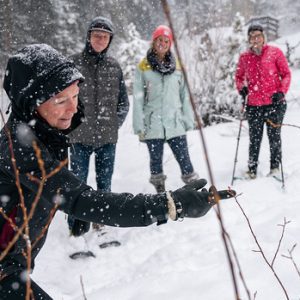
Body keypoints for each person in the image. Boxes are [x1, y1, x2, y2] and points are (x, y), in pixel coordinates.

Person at [0, 44, 235, 299]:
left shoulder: (47, 134)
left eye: (75, 96)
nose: (73, 108)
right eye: (61, 100)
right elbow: (80, 199)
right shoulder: (18, 148)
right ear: (31, 102)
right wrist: (170, 204)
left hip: (14, 267)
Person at [68, 16, 129, 236]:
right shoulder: (73, 63)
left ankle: (102, 220)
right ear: (89, 37)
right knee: (77, 183)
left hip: (107, 138)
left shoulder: (114, 66)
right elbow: (64, 98)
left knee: (104, 183)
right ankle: (76, 223)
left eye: (105, 36)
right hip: (78, 137)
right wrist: (69, 124)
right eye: (97, 35)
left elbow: (123, 102)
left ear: (109, 40)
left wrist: (114, 123)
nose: (101, 39)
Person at [133, 25, 198, 193]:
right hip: (152, 123)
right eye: (159, 40)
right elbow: (138, 98)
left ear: (170, 44)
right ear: (153, 42)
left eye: (166, 40)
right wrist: (139, 126)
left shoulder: (177, 67)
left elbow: (185, 95)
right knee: (156, 162)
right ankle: (160, 194)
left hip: (175, 122)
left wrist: (188, 120)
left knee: (185, 161)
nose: (162, 43)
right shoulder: (143, 67)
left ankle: (193, 191)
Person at [235, 24, 291, 179]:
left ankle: (275, 168)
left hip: (275, 103)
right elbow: (239, 77)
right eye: (252, 36)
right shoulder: (245, 58)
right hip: (254, 106)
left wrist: (281, 91)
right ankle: (251, 169)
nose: (255, 39)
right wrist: (242, 88)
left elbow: (286, 74)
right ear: (248, 39)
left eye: (258, 36)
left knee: (274, 136)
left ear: (263, 37)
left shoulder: (275, 53)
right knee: (254, 138)